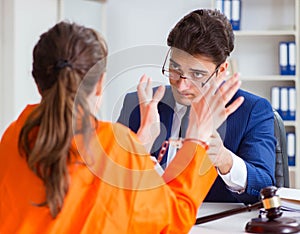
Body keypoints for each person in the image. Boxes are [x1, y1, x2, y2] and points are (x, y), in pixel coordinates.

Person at [0, 22, 244, 233]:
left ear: (37, 81)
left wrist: (136, 147)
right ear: (99, 85)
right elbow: (173, 221)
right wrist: (197, 139)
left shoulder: (12, 138)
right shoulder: (113, 147)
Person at [118, 9, 277, 204]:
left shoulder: (253, 110)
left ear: (222, 71)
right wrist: (138, 149)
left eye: (197, 75)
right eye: (175, 69)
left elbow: (265, 187)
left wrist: (224, 159)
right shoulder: (138, 104)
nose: (182, 85)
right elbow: (107, 182)